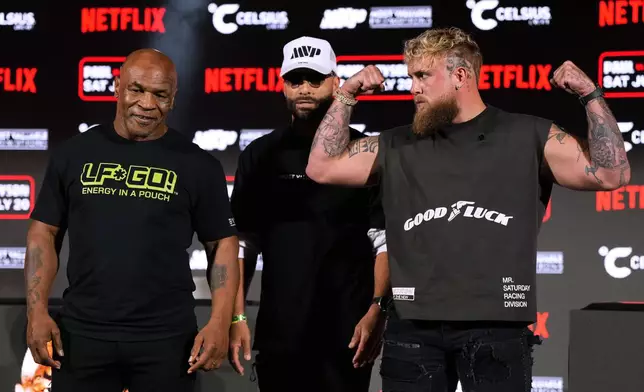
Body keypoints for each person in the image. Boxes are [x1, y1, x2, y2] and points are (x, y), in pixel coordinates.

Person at [305, 27, 630, 392]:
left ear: (461, 75)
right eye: (411, 76)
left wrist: (590, 94)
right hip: (413, 328)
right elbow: (321, 167)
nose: (413, 87)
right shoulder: (396, 143)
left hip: (497, 330)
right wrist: (346, 94)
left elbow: (610, 174)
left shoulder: (528, 135)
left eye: (423, 76)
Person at [24, 48, 240, 392]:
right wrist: (36, 311)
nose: (146, 104)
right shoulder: (74, 153)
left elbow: (223, 245)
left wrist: (220, 321)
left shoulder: (199, 165)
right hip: (82, 335)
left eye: (160, 94)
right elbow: (43, 233)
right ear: (117, 87)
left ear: (174, 98)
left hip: (167, 340)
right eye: (136, 89)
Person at [228, 36, 390, 392]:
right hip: (281, 333)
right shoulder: (260, 155)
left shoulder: (365, 153)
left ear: (335, 83)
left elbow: (384, 242)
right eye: (295, 80)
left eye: (315, 80)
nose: (304, 89)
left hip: (346, 336)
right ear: (282, 84)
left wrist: (377, 308)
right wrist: (236, 316)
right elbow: (242, 246)